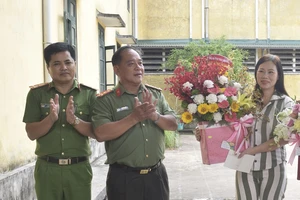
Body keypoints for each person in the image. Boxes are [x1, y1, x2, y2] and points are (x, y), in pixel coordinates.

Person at [92, 46, 178, 200]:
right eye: (131, 64)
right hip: (124, 178)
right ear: (117, 70)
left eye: (140, 63)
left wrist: (155, 116)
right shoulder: (106, 100)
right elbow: (100, 133)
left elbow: (173, 124)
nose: (138, 68)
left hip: (156, 176)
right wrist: (134, 118)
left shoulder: (155, 94)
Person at [23, 42, 97, 200]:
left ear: (75, 64)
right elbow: (31, 133)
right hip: (47, 170)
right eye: (56, 64)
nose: (63, 67)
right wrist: (50, 119)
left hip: (79, 169)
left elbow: (96, 132)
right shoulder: (37, 94)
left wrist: (75, 121)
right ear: (48, 68)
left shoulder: (89, 94)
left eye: (68, 62)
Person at [235, 54, 294, 200]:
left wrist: (253, 150)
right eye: (261, 71)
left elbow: (283, 139)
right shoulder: (246, 101)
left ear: (279, 76)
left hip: (273, 167)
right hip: (244, 166)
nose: (264, 76)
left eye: (270, 72)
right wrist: (206, 133)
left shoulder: (286, 103)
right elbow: (232, 129)